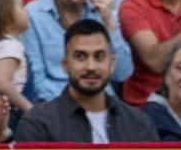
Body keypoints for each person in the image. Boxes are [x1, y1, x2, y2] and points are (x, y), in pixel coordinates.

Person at [21, 0, 133, 103]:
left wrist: (109, 23)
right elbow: (37, 81)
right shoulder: (33, 14)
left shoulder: (103, 13)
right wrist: (75, 101)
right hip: (56, 104)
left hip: (100, 100)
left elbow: (122, 73)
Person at [15, 20, 158, 143]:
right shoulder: (38, 123)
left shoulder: (138, 123)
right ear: (65, 65)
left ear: (112, 64)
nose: (91, 67)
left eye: (99, 57)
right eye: (81, 57)